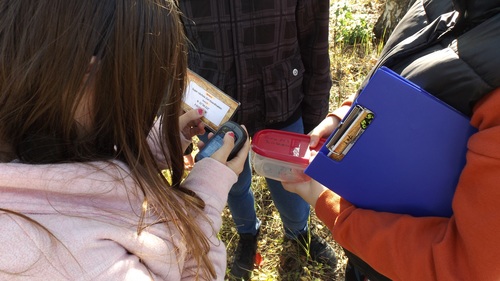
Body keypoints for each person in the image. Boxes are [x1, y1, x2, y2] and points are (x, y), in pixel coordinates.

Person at [0, 1, 250, 280]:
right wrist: (208, 193)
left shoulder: (29, 135)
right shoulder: (76, 267)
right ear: (87, 78)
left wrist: (161, 142)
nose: (146, 105)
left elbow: (85, 167)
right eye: (146, 90)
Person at [283, 0, 500, 280]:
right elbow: (405, 68)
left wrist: (330, 204)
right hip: (368, 241)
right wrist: (348, 115)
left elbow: (465, 267)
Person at [178, 0, 337, 279]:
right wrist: (182, 130)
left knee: (291, 185)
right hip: (215, 108)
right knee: (232, 184)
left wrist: (314, 123)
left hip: (282, 101)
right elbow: (174, 45)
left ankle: (299, 232)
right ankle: (247, 233)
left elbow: (315, 43)